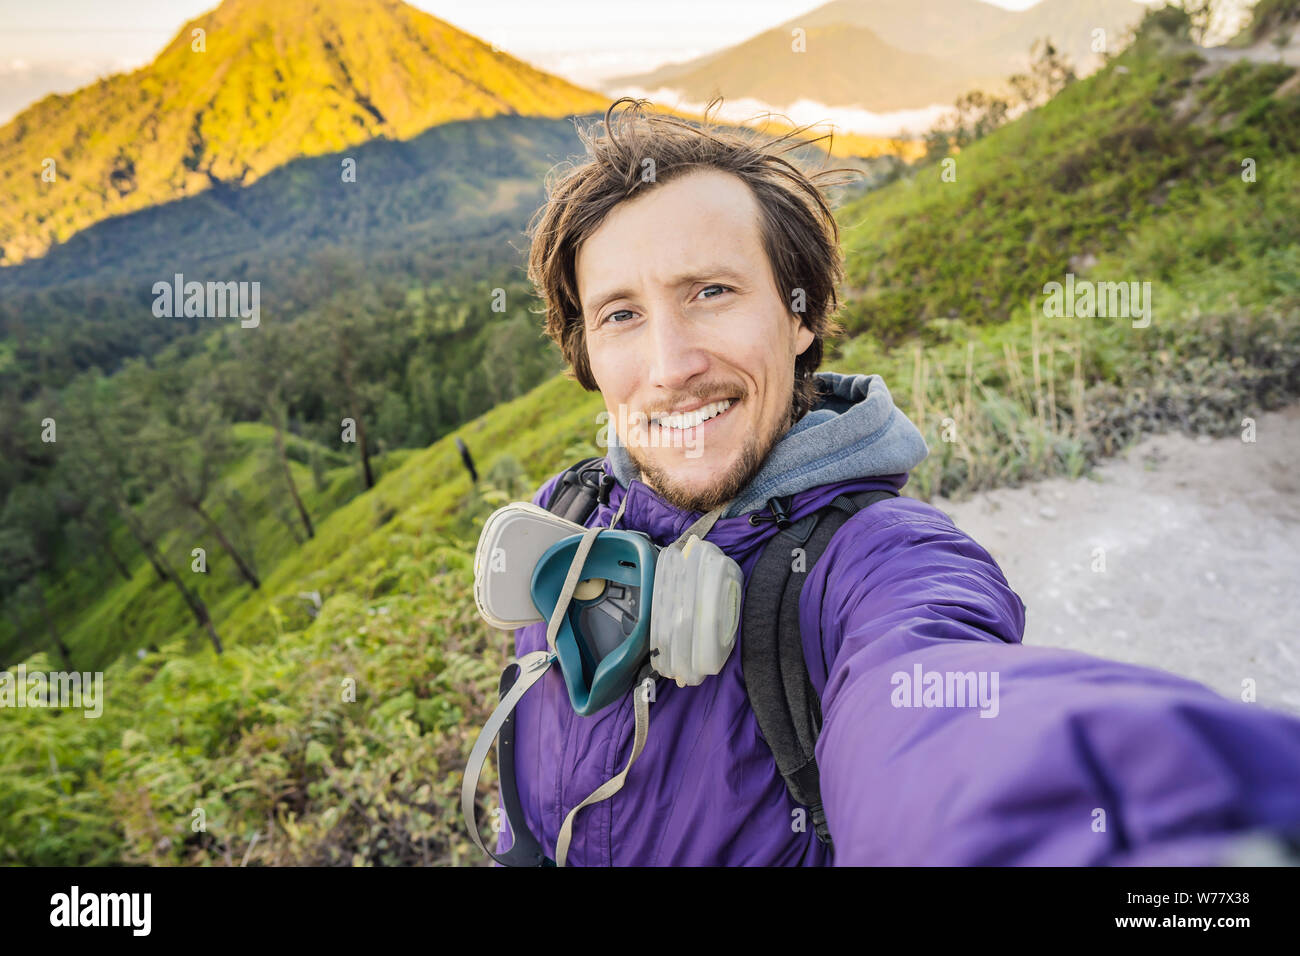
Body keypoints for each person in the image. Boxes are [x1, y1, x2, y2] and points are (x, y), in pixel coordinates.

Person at [487, 97, 1300, 866]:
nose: (670, 367)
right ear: (586, 351)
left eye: (712, 291)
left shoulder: (875, 561)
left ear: (800, 316)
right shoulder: (573, 507)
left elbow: (940, 725)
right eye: (620, 314)